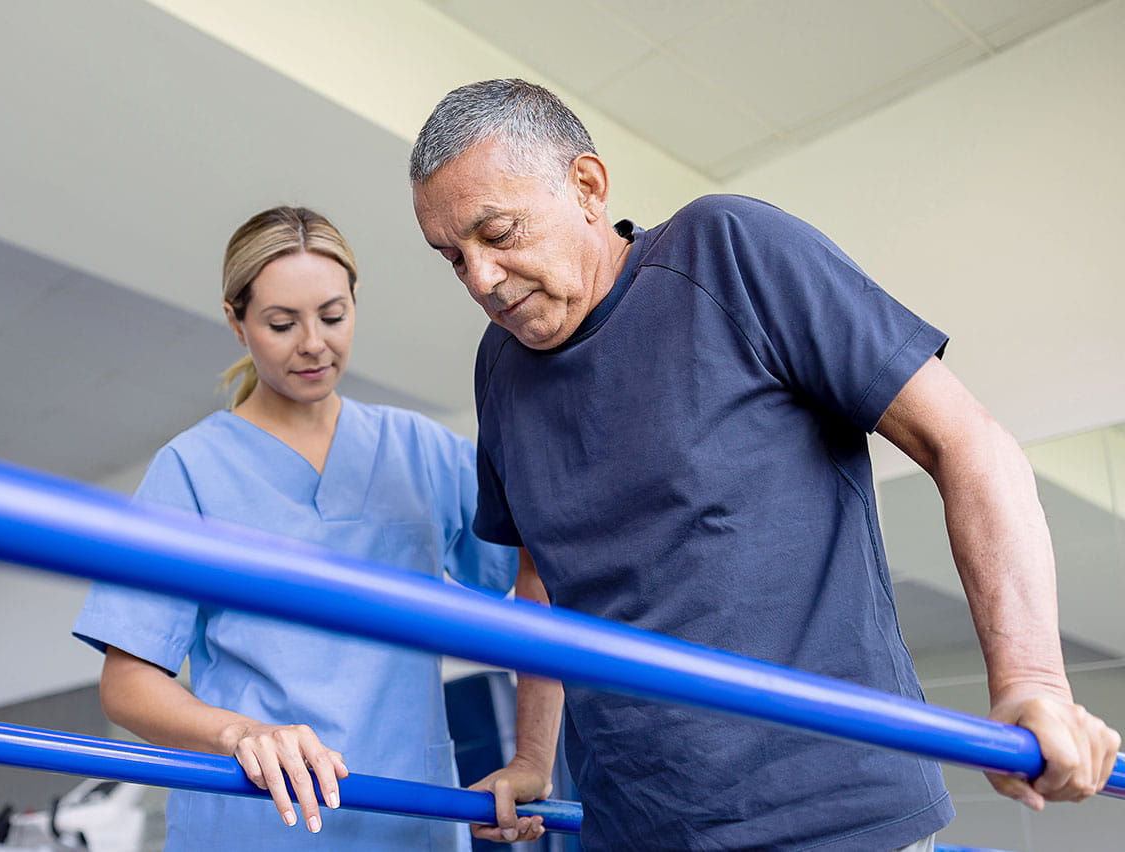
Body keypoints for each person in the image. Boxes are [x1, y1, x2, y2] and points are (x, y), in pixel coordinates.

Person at [407, 79, 1121, 852]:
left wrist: (1034, 684)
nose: (479, 279)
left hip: (832, 817)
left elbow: (968, 444)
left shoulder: (726, 251)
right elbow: (543, 578)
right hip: (633, 827)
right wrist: (532, 758)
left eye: (499, 233)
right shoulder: (500, 369)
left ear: (586, 186)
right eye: (453, 259)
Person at [71, 206, 517, 851]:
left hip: (405, 816)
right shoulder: (192, 469)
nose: (314, 343)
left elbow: (529, 572)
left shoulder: (420, 449)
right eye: (282, 324)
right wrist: (240, 735)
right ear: (236, 321)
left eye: (333, 316)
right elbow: (128, 684)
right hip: (257, 820)